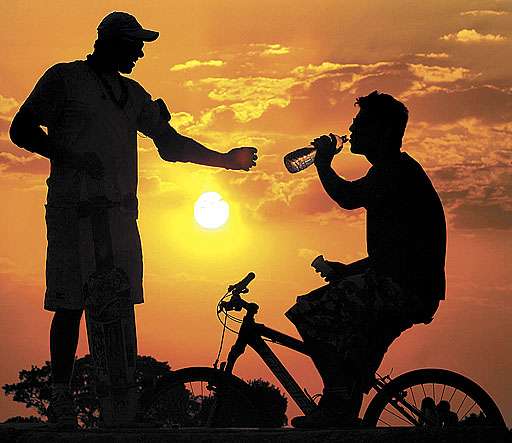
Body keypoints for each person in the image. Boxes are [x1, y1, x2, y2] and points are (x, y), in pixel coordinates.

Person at [9, 12, 257, 428]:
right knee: (71, 302)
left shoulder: (132, 94)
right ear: (109, 42)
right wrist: (69, 155)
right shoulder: (66, 79)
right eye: (133, 44)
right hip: (75, 212)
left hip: (120, 216)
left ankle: (121, 399)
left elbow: (169, 143)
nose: (140, 52)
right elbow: (21, 128)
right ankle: (61, 397)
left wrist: (224, 161)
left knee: (118, 303)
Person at [286, 91, 446, 428]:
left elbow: (347, 197)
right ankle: (342, 414)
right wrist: (349, 271)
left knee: (308, 312)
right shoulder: (396, 170)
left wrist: (322, 163)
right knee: (356, 358)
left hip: (403, 289)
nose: (351, 130)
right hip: (412, 289)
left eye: (359, 125)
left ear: (382, 132)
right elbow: (394, 254)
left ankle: (336, 401)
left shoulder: (394, 171)